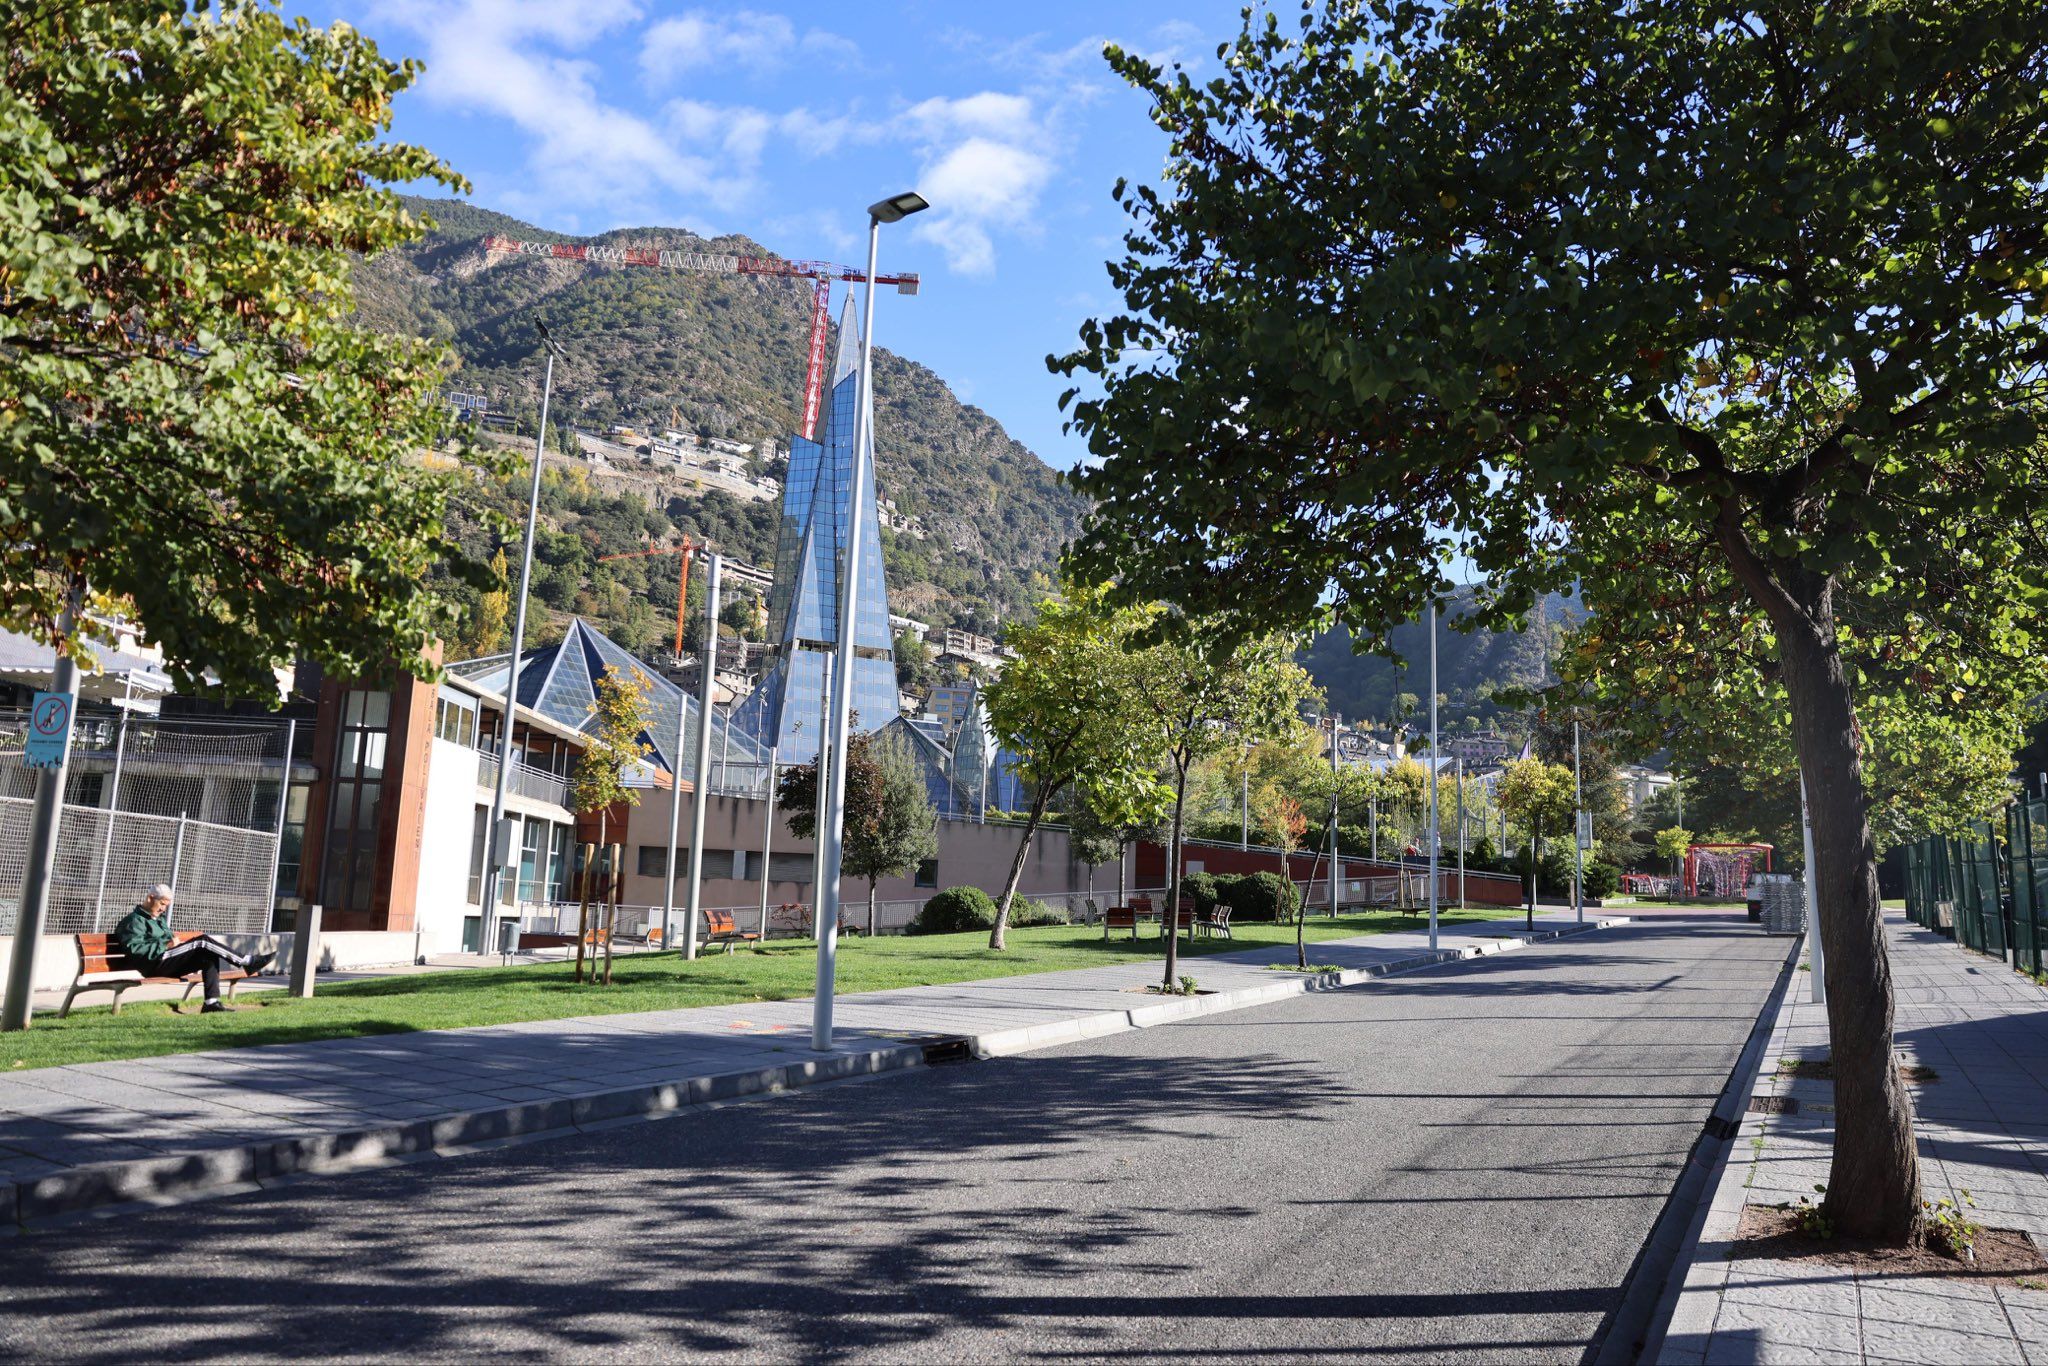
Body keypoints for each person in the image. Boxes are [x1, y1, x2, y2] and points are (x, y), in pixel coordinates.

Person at [113, 884, 274, 1013]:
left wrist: (170, 943)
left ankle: (211, 1003)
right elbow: (136, 950)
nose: (163, 909)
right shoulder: (133, 921)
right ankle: (246, 961)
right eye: (162, 904)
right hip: (155, 963)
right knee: (202, 941)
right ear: (150, 898)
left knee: (208, 955)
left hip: (167, 961)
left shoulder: (158, 920)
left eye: (166, 906)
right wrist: (165, 944)